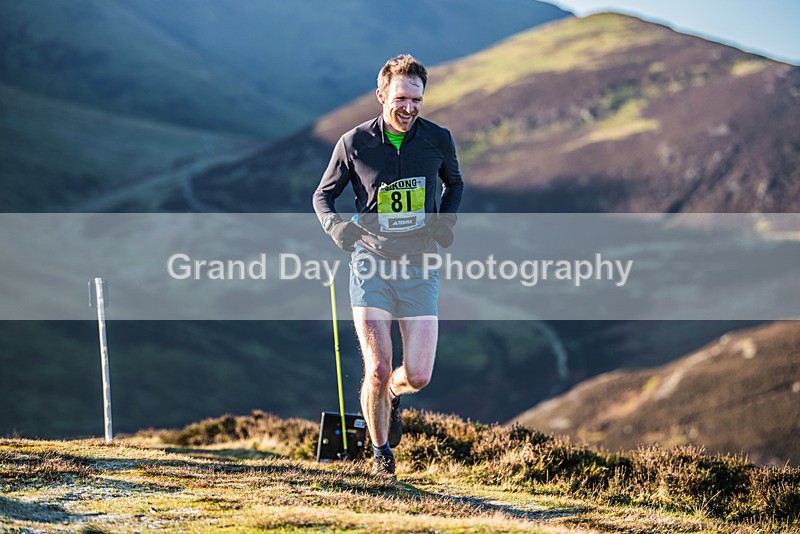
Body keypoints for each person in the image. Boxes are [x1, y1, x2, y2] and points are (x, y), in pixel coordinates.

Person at [312, 54, 464, 479]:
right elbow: (322, 196)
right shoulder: (353, 143)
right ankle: (381, 455)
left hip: (419, 267)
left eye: (417, 99)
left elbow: (456, 183)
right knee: (377, 368)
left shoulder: (438, 139)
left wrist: (446, 221)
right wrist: (337, 230)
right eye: (401, 98)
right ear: (381, 95)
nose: (410, 108)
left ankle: (394, 396)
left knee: (417, 375)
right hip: (370, 264)